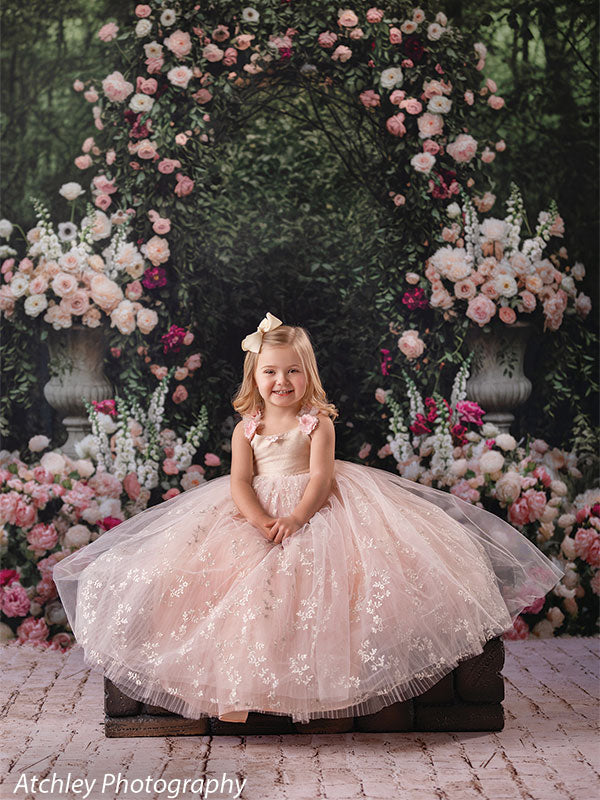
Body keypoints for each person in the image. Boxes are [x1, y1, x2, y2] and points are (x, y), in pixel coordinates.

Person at [53, 312, 565, 725]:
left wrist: (297, 516)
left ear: (308, 375)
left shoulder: (315, 423)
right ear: (255, 375)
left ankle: (327, 693)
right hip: (256, 512)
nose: (282, 381)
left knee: (330, 573)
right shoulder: (246, 428)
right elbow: (237, 483)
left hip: (313, 508)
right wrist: (258, 519)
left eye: (292, 371)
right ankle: (243, 687)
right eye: (271, 371)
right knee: (229, 580)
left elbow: (322, 479)